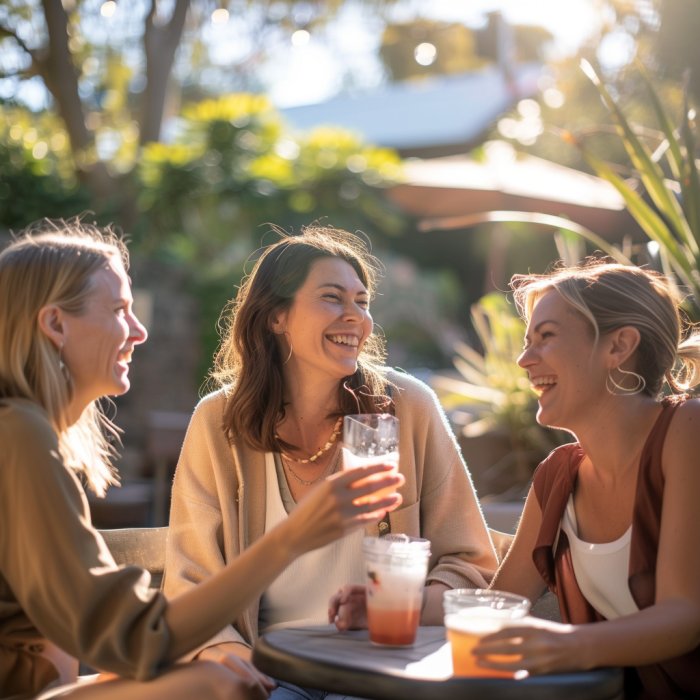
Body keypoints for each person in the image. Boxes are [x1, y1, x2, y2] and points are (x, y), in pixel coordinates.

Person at [0, 220, 404, 700]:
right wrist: (291, 539)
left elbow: (113, 635)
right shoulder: (19, 434)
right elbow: (129, 638)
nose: (139, 331)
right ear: (55, 323)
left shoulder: (24, 431)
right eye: (118, 310)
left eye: (362, 300)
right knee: (220, 686)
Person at [163, 225, 498, 698]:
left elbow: (470, 563)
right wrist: (229, 657)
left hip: (379, 667)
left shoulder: (407, 407)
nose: (355, 317)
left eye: (362, 302)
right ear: (277, 316)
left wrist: (394, 610)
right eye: (332, 298)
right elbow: (191, 578)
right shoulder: (218, 422)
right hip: (267, 670)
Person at [473, 260, 700, 699]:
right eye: (527, 341)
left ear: (619, 346)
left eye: (546, 337)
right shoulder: (558, 475)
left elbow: (685, 616)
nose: (523, 360)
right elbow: (497, 607)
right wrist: (395, 608)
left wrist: (568, 645)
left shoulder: (687, 429)